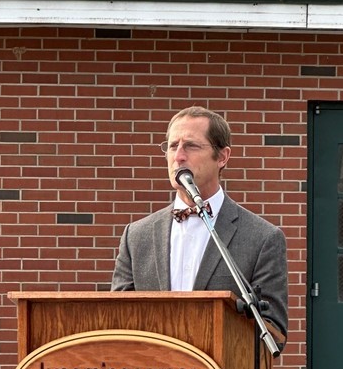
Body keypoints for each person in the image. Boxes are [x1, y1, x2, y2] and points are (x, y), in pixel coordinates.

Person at [111, 106, 288, 344]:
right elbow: (118, 320)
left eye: (191, 146)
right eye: (173, 146)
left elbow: (273, 332)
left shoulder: (262, 238)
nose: (179, 156)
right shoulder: (136, 236)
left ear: (222, 157)